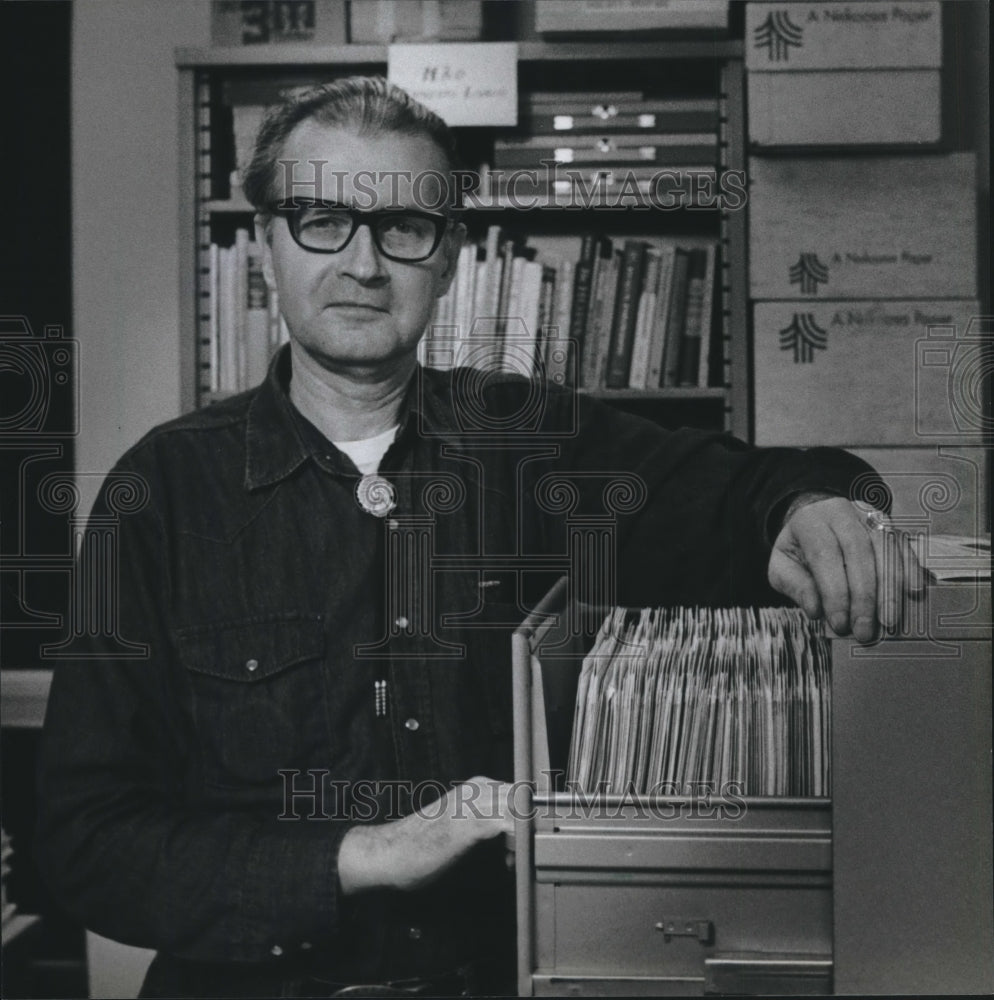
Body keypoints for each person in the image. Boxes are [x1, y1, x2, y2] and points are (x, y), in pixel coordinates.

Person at [37, 77, 925, 999]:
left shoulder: (535, 441)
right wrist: (362, 854)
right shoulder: (161, 491)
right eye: (321, 221)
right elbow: (87, 840)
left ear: (449, 258)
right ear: (267, 245)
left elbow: (741, 491)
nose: (364, 263)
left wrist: (807, 508)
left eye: (403, 227)